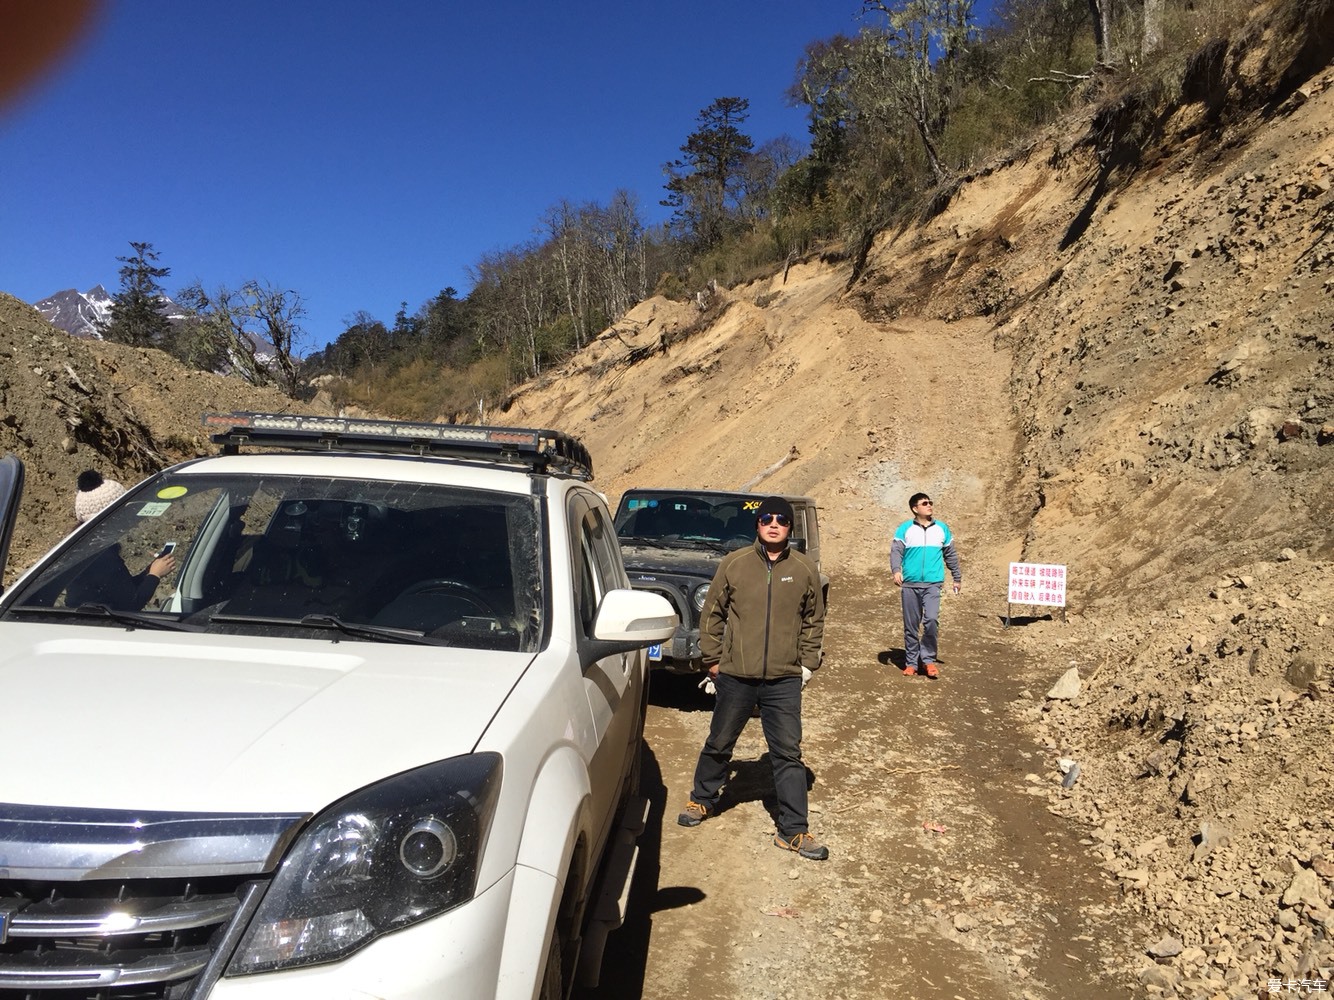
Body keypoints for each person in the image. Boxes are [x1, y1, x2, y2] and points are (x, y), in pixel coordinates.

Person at [676, 496, 829, 861]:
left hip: (784, 680)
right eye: (766, 519)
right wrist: (713, 660)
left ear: (790, 527)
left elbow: (814, 620)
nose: (773, 524)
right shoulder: (735, 564)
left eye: (781, 520)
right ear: (757, 525)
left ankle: (793, 831)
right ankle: (702, 800)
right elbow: (712, 614)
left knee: (788, 754)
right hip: (736, 676)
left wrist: (806, 665)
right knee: (720, 741)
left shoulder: (804, 569)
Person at [65, 470, 175, 610]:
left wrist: (149, 572)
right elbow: (131, 604)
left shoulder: (84, 548)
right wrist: (155, 575)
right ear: (113, 518)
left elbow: (122, 591)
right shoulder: (103, 558)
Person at [890, 492, 962, 679]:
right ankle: (912, 663)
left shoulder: (942, 529)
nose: (929, 505)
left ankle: (928, 660)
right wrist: (896, 570)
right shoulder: (904, 529)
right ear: (915, 508)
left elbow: (951, 555)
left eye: (930, 502)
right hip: (910, 585)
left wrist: (957, 577)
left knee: (931, 620)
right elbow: (896, 551)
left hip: (933, 584)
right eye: (924, 503)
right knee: (911, 625)